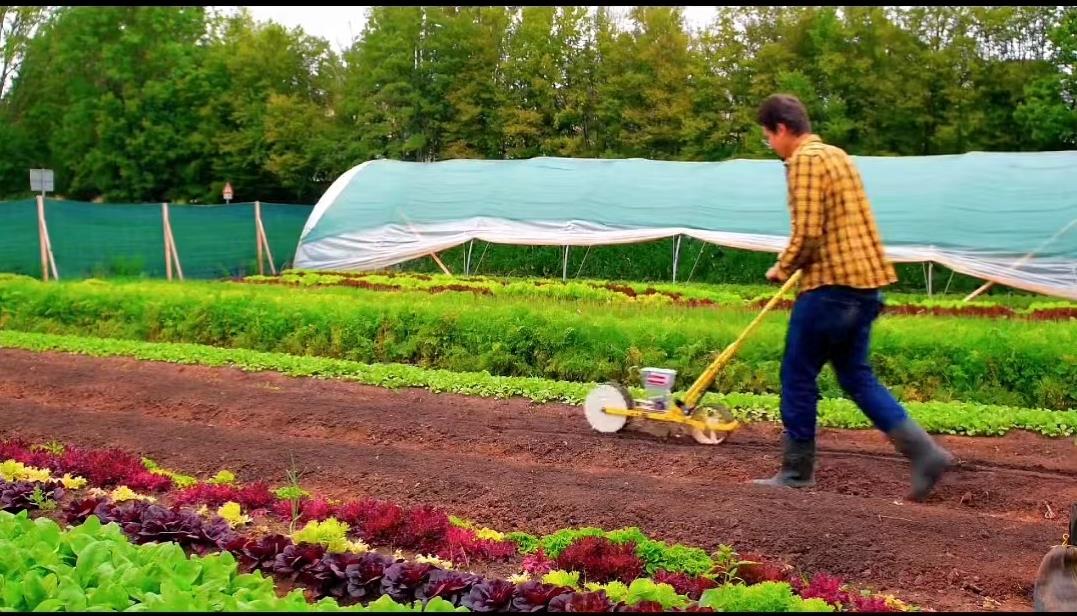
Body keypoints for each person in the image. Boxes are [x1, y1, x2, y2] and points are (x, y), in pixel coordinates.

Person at [751, 93, 953, 502]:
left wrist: (782, 267)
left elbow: (808, 231)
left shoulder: (803, 162)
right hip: (864, 287)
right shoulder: (838, 156)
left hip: (830, 288)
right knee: (856, 376)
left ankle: (795, 472)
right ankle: (924, 453)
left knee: (797, 374)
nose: (771, 147)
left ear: (782, 130)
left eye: (768, 138)